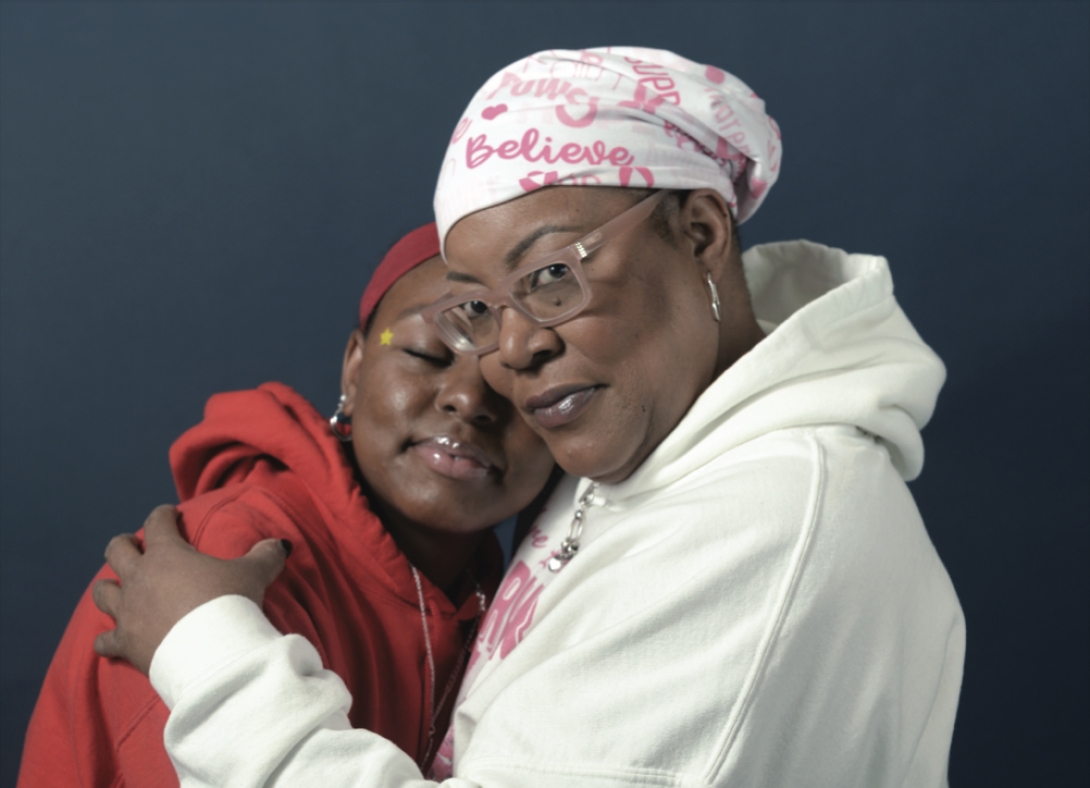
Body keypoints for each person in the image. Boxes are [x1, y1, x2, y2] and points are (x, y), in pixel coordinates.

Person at [92, 47, 965, 787]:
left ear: (700, 232)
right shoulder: (648, 432)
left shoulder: (763, 528)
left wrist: (206, 653)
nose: (508, 353)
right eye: (475, 308)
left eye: (552, 276)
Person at [17, 224, 556, 786]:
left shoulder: (508, 593)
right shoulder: (214, 571)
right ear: (354, 366)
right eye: (425, 352)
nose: (469, 400)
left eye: (516, 373)